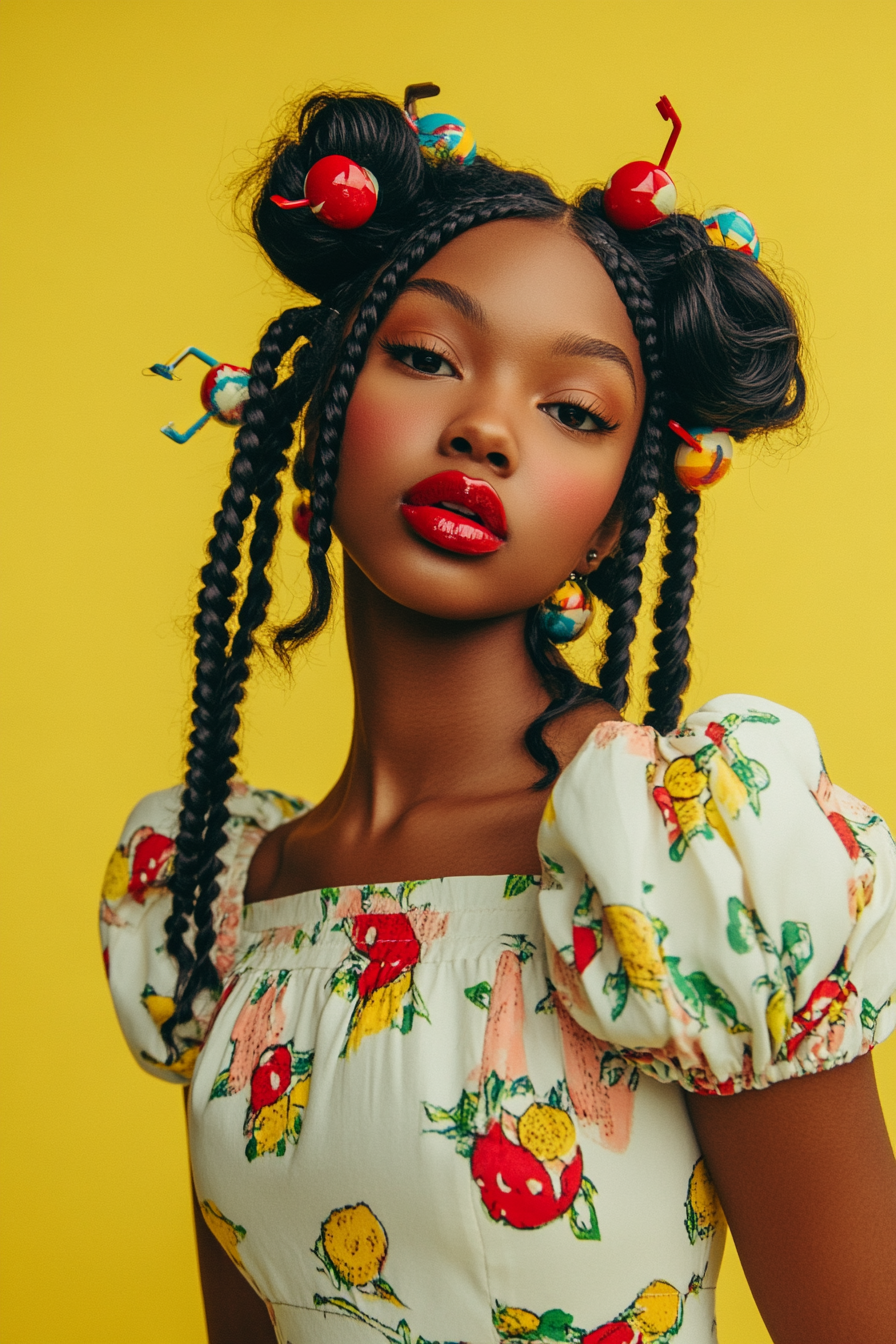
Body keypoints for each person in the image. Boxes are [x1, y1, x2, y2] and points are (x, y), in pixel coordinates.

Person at [100, 88, 896, 1344]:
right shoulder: (216, 893)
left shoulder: (684, 875)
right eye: (424, 357)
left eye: (572, 411)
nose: (482, 429)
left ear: (616, 515)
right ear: (317, 404)